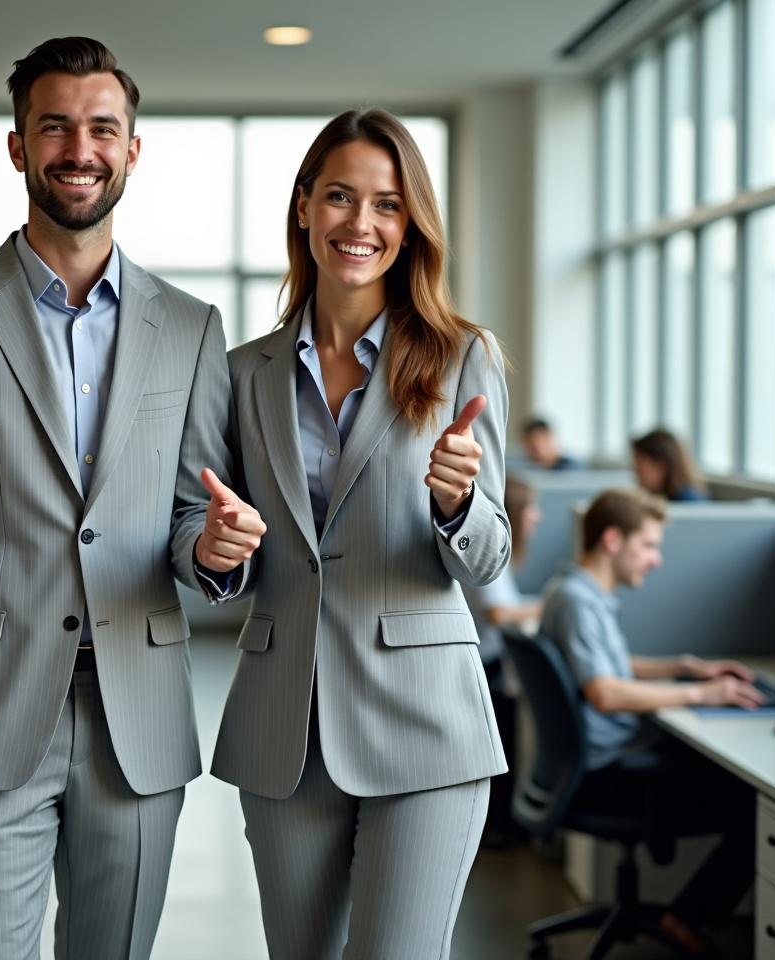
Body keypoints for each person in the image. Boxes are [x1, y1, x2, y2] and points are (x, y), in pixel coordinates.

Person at [0, 37, 259, 958]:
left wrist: (210, 549)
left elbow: (192, 508)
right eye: (54, 127)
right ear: (18, 147)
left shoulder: (192, 328)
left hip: (139, 711)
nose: (78, 149)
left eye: (101, 128)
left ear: (132, 148)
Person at [206, 109, 509, 959]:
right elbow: (221, 547)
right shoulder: (242, 374)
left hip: (424, 726)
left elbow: (489, 558)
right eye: (340, 197)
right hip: (284, 725)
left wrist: (456, 504)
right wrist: (219, 551)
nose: (361, 224)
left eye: (386, 204)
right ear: (304, 207)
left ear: (409, 225)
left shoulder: (461, 358)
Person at [541, 488, 762, 952]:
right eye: (649, 545)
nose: (657, 560)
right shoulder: (579, 603)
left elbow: (610, 667)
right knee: (753, 805)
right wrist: (702, 693)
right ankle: (683, 919)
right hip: (609, 776)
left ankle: (683, 913)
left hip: (597, 764)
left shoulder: (579, 592)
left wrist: (684, 666)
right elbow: (604, 692)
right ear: (612, 540)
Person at [462, 474, 543, 845]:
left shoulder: (501, 554)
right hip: (482, 664)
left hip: (489, 661)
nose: (538, 517)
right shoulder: (488, 551)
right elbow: (497, 612)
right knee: (501, 746)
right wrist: (550, 605)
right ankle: (499, 828)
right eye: (532, 509)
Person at [632, 427, 707, 501]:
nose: (637, 476)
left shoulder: (689, 502)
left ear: (662, 466)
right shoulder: (661, 497)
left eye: (640, 470)